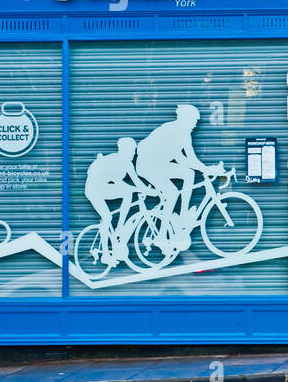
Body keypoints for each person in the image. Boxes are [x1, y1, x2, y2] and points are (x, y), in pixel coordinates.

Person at [135, 105, 223, 252]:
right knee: (172, 193)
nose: (195, 124)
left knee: (188, 174)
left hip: (158, 164)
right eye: (194, 120)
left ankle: (182, 215)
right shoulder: (173, 130)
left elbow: (184, 159)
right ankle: (161, 237)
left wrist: (206, 168)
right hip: (147, 165)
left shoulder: (181, 132)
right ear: (185, 119)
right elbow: (190, 160)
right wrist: (207, 169)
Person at [84, 137, 152, 266]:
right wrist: (138, 189)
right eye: (132, 150)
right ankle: (105, 254)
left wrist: (150, 191)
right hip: (94, 189)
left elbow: (137, 181)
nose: (134, 153)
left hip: (105, 188)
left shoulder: (127, 163)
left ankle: (119, 228)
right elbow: (116, 182)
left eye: (134, 150)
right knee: (107, 217)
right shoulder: (114, 161)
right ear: (124, 150)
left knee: (128, 192)